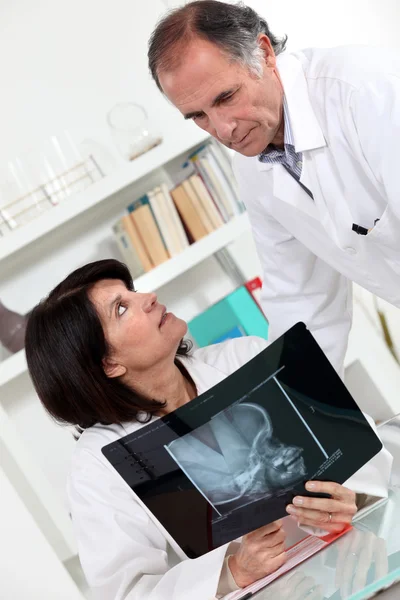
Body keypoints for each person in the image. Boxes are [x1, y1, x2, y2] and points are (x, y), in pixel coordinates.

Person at [25, 259, 392, 600]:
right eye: (121, 308)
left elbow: (358, 445)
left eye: (133, 290)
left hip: (354, 562)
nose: (149, 297)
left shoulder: (246, 357)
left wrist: (354, 497)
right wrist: (232, 571)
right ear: (108, 364)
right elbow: (129, 591)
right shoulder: (96, 464)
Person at [148, 0, 400, 374]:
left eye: (226, 97)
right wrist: (295, 411)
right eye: (198, 115)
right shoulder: (253, 169)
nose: (222, 129)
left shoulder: (364, 90)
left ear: (263, 54)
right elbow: (302, 303)